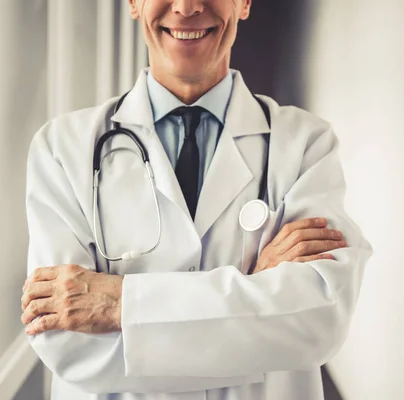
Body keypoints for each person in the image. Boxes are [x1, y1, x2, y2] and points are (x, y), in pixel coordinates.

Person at [21, 0, 372, 399]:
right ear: (134, 3)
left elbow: (318, 320)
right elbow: (68, 345)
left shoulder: (306, 143)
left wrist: (120, 303)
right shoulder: (61, 147)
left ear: (243, 3)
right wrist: (256, 294)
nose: (187, 8)